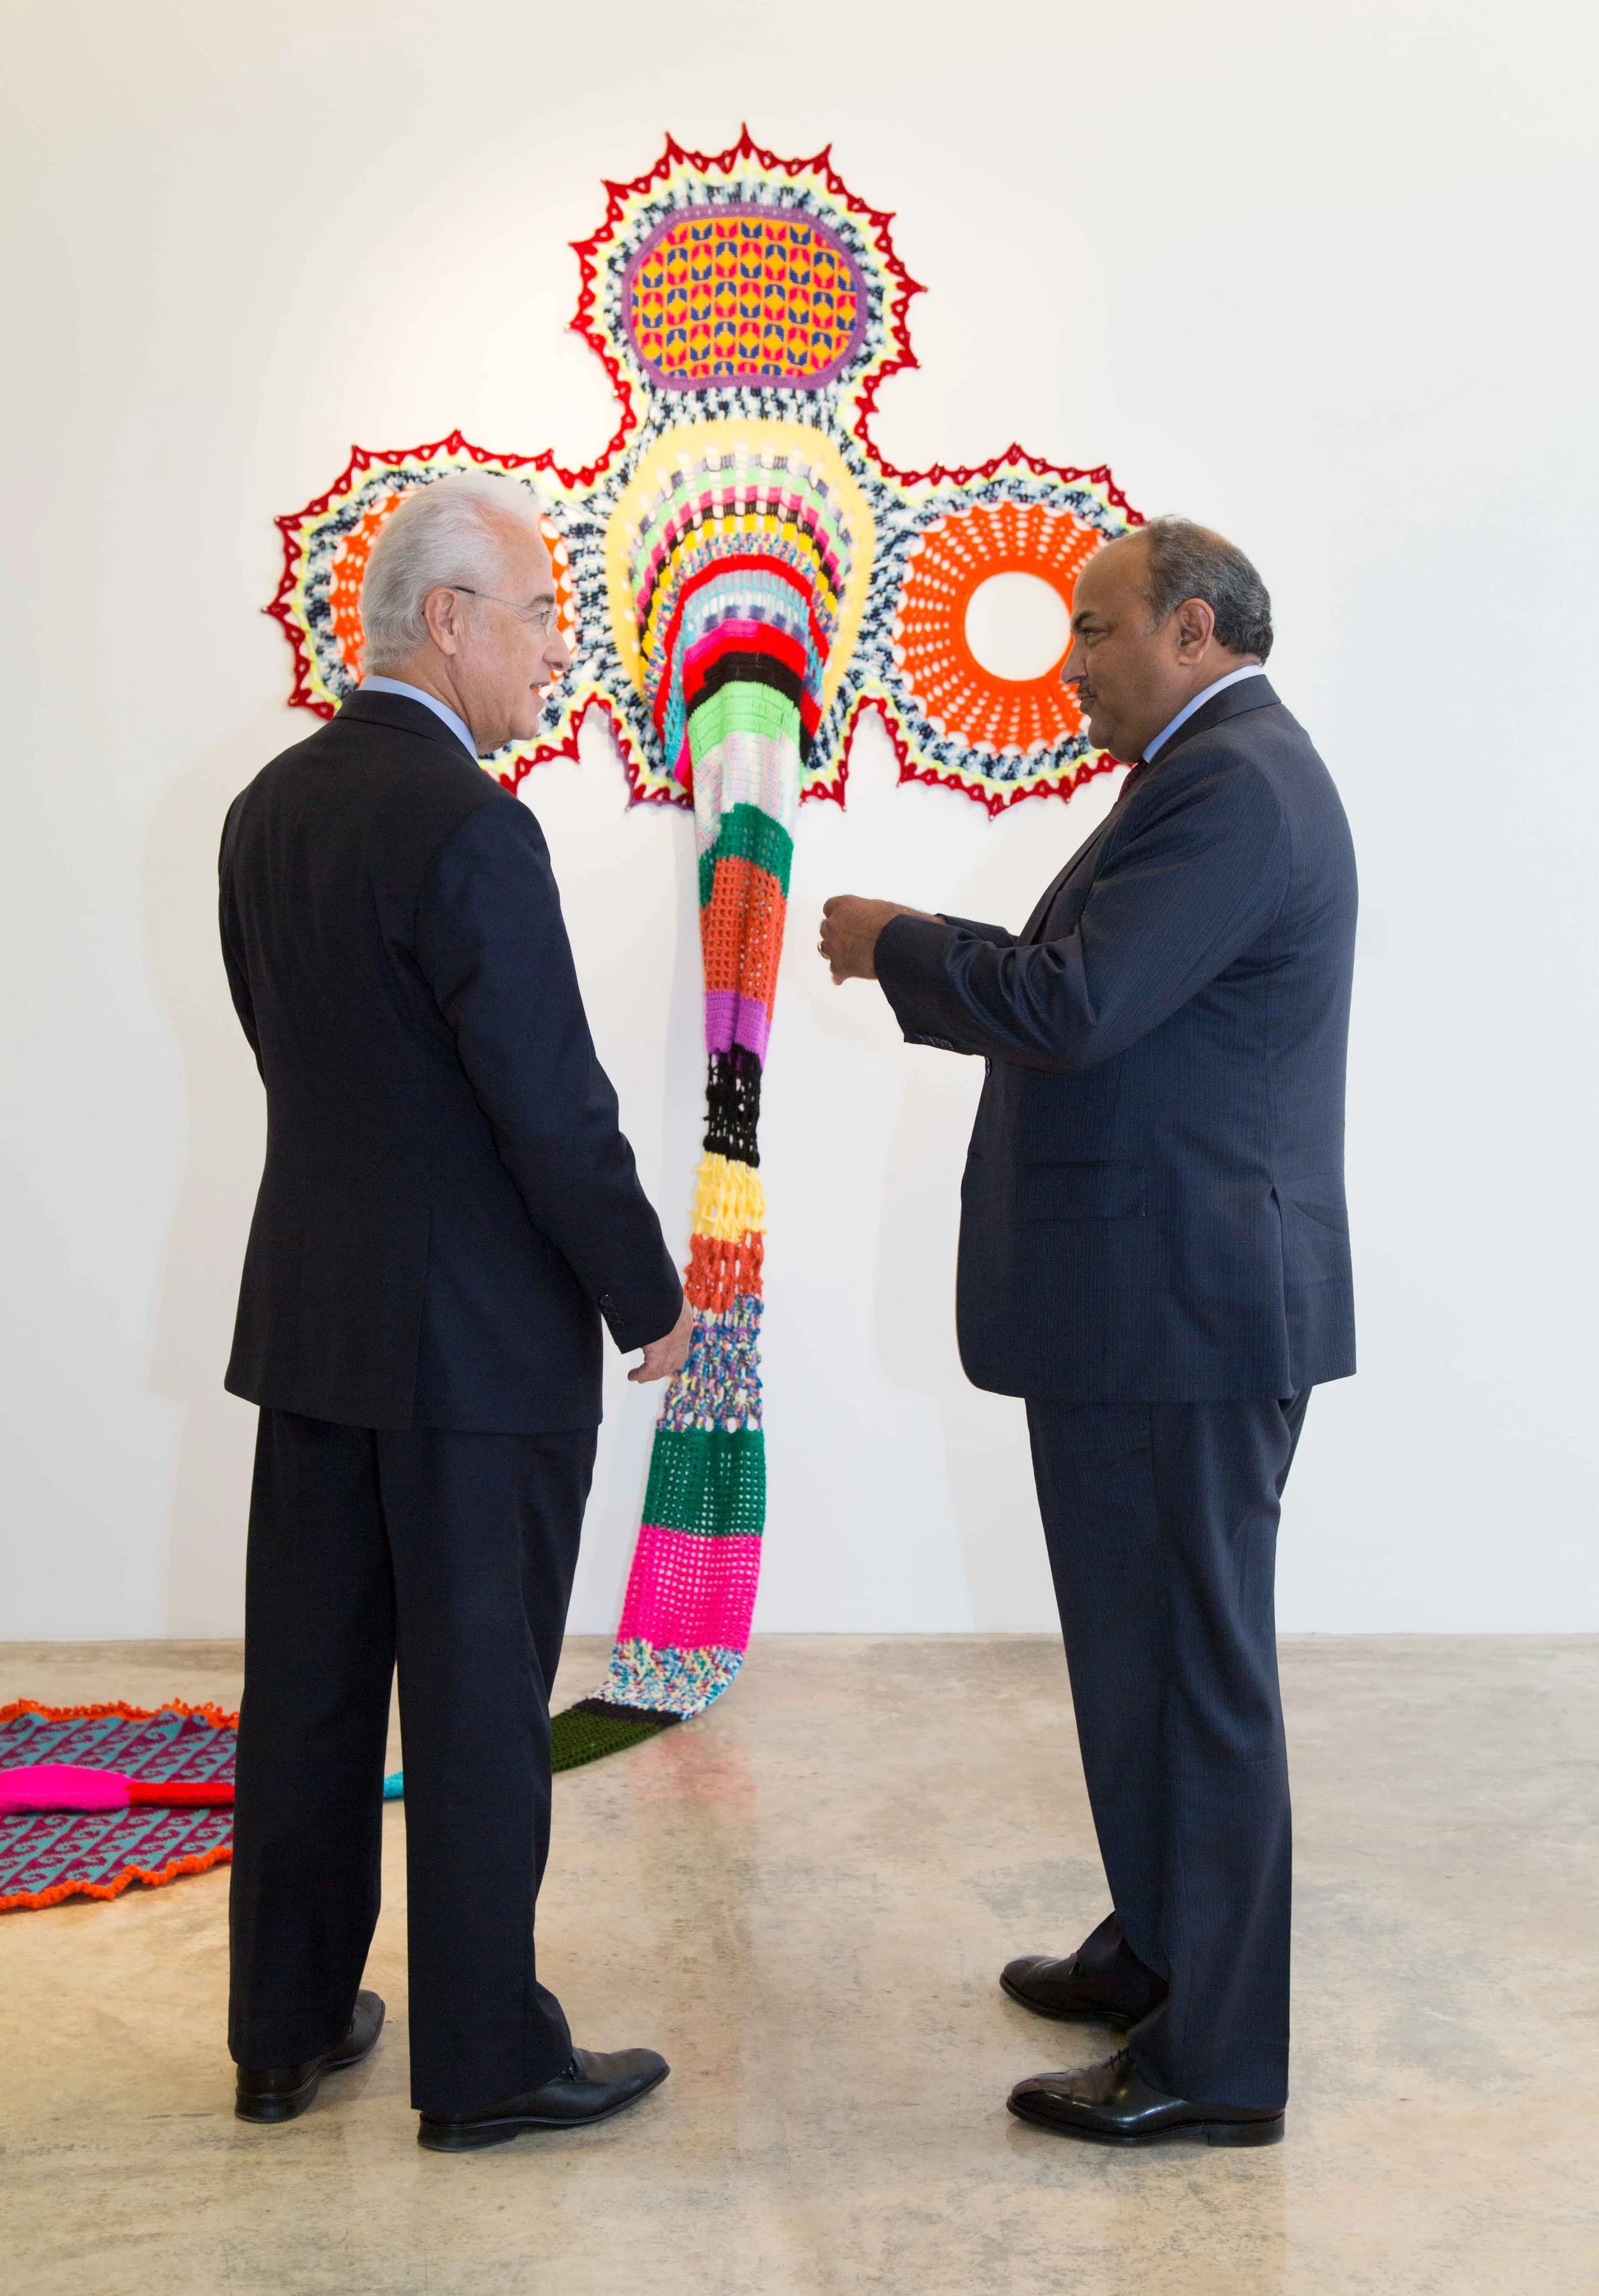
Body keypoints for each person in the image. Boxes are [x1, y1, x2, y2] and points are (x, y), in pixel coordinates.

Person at [818, 519, 1357, 2148]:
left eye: (1094, 628)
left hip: (1181, 1313)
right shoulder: (1208, 776)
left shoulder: (1235, 786)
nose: (1071, 662)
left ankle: (1217, 2065)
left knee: (1190, 1678)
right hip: (1149, 1306)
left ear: (1191, 630)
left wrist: (894, 943)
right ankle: (1159, 1952)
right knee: (1136, 1660)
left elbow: (1072, 1004)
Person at [219, 470, 693, 2152]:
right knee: (483, 1705)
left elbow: (301, 1059)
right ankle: (485, 2057)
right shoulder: (470, 824)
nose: (558, 653)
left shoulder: (268, 804)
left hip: (312, 1325)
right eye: (542, 615)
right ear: (448, 619)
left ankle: (281, 2032)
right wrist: (650, 1290)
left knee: (315, 1689)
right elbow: (545, 1103)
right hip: (476, 1352)